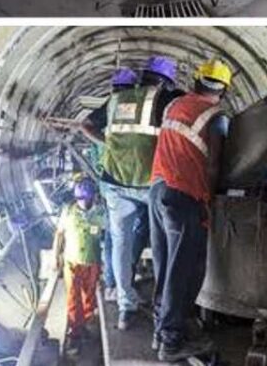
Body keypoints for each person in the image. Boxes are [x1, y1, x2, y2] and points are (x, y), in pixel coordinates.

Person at [82, 55, 184, 330]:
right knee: (162, 243)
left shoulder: (118, 99)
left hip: (115, 182)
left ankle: (126, 306)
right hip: (149, 183)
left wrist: (109, 145)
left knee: (120, 243)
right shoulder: (164, 100)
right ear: (165, 82)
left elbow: (86, 124)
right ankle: (162, 307)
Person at [148, 59, 232, 362]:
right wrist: (207, 201)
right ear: (223, 91)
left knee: (166, 265)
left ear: (197, 82)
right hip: (184, 197)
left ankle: (163, 329)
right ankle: (172, 341)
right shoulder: (217, 117)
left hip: (156, 190)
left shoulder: (174, 105)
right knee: (185, 269)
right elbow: (213, 166)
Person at [83, 67, 140, 301]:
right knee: (127, 235)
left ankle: (112, 285)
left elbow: (86, 125)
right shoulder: (128, 107)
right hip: (127, 180)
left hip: (109, 182)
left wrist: (107, 142)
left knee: (114, 236)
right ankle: (120, 285)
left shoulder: (109, 109)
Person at [53, 175, 106, 352]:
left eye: (86, 199)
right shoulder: (68, 211)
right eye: (80, 199)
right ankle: (75, 333)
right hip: (72, 262)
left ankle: (87, 327)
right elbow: (59, 235)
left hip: (92, 261)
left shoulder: (100, 212)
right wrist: (55, 257)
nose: (83, 202)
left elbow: (110, 237)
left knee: (89, 298)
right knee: (73, 297)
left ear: (92, 197)